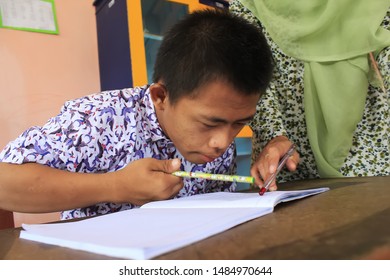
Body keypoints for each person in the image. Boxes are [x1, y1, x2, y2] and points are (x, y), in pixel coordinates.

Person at [0, 9, 273, 219]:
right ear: (161, 97)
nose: (222, 143)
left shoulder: (218, 138)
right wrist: (116, 186)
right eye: (209, 123)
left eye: (239, 124)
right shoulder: (100, 118)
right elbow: (5, 183)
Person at [230, 0, 390, 190]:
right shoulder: (247, 3)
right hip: (283, 156)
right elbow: (249, 73)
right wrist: (275, 136)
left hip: (368, 148)